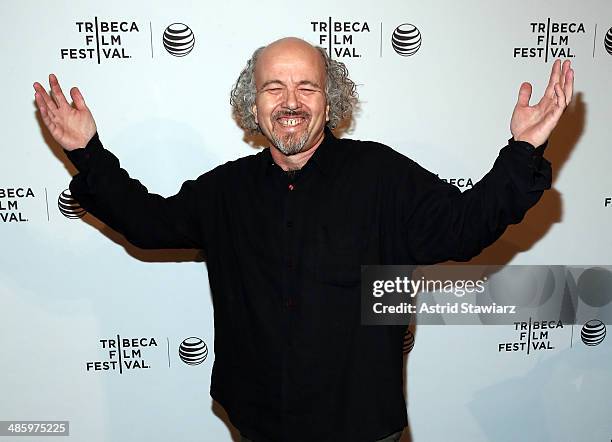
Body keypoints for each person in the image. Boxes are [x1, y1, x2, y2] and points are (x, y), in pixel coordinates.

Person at [33, 37, 573, 442]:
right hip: (259, 423)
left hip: (363, 427)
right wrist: (88, 153)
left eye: (306, 86)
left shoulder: (382, 175)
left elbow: (465, 227)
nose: (290, 101)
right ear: (253, 103)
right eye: (274, 87)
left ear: (330, 99)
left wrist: (522, 150)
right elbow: (148, 222)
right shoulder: (225, 190)